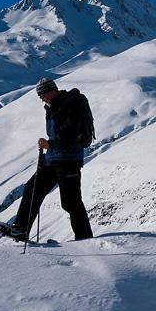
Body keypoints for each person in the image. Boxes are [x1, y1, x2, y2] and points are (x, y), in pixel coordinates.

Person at [11, 78, 94, 241]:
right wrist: (47, 152)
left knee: (71, 202)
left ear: (51, 90)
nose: (42, 99)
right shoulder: (54, 107)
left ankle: (84, 239)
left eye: (42, 95)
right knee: (32, 189)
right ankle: (20, 229)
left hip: (69, 161)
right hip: (54, 160)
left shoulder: (69, 105)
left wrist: (50, 144)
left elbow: (70, 136)